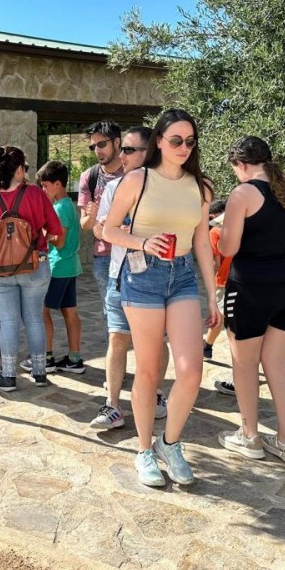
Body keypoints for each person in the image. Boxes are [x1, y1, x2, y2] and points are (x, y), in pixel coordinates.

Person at [103, 109, 219, 487]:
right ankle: (143, 450)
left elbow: (202, 243)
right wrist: (143, 242)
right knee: (149, 370)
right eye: (176, 140)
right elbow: (108, 230)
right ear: (159, 141)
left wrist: (212, 297)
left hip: (182, 276)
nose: (184, 147)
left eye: (190, 141)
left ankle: (169, 443)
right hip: (143, 276)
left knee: (191, 370)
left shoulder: (201, 187)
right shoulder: (138, 179)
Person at [216, 136, 285, 465]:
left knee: (244, 363)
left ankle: (249, 435)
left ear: (241, 164)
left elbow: (228, 248)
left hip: (253, 290)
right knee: (278, 362)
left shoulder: (243, 193)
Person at [0, 146, 62, 392]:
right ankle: (39, 372)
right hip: (35, 266)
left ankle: (8, 376)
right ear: (19, 170)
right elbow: (55, 228)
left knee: (8, 321)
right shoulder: (35, 194)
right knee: (34, 318)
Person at [90, 126, 168, 429]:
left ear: (149, 152)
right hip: (121, 274)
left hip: (159, 276)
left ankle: (156, 394)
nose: (121, 155)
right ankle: (112, 405)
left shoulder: (169, 188)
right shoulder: (114, 188)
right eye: (121, 148)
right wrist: (117, 232)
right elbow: (100, 230)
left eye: (129, 150)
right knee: (117, 337)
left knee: (157, 341)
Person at [35, 160, 84, 373]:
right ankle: (74, 359)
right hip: (70, 266)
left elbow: (60, 241)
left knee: (41, 311)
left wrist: (43, 231)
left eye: (45, 186)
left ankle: (45, 358)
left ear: (57, 184)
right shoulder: (68, 204)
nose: (43, 190)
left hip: (58, 267)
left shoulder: (60, 208)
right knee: (70, 312)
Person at [78, 121, 125, 333]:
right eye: (93, 146)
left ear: (117, 142)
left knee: (139, 311)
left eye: (102, 144)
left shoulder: (133, 173)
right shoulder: (89, 176)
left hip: (133, 253)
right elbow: (85, 225)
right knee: (111, 315)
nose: (97, 150)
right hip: (104, 256)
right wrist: (92, 215)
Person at [203, 198, 230, 359]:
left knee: (219, 316)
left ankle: (207, 347)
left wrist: (209, 283)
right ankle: (207, 346)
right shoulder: (241, 228)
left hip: (222, 281)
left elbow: (215, 263)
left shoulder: (214, 233)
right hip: (242, 279)